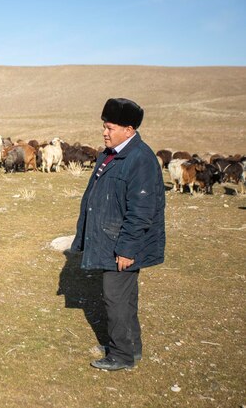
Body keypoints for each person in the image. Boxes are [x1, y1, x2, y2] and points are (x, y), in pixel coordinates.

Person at [71, 98, 165, 371]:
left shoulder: (140, 159)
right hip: (110, 239)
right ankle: (129, 347)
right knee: (124, 297)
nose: (105, 132)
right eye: (104, 126)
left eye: (110, 127)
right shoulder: (110, 154)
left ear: (129, 129)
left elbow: (141, 211)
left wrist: (126, 249)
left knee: (115, 298)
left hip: (121, 244)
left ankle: (121, 355)